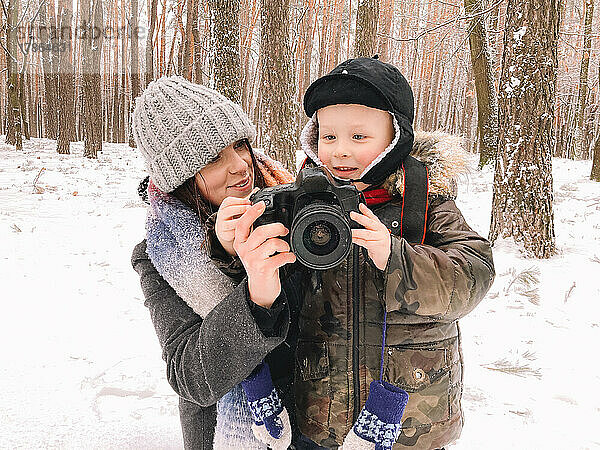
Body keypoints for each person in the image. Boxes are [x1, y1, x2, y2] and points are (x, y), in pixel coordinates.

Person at [218, 57, 496, 449]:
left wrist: (395, 256)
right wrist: (236, 247)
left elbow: (474, 274)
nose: (340, 152)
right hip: (320, 416)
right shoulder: (304, 205)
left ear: (395, 138)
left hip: (413, 421)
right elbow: (279, 299)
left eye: (358, 137)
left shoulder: (424, 199)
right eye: (329, 137)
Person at [129, 75, 302, 449]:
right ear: (182, 178)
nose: (241, 165)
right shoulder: (162, 254)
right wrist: (242, 279)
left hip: (312, 424)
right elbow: (190, 376)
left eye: (240, 145)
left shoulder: (295, 208)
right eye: (212, 157)